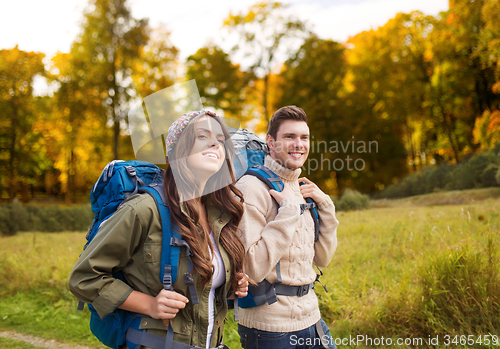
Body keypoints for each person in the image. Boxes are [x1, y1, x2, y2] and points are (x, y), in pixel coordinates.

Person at [69, 110, 249, 349]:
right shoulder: (144, 209)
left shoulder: (220, 214)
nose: (215, 142)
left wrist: (228, 285)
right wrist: (148, 304)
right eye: (203, 136)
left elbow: (199, 289)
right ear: (177, 150)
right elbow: (84, 277)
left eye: (220, 138)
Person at [236, 105, 339, 349]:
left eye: (304, 137)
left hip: (312, 316)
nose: (299, 144)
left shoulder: (301, 188)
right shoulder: (251, 188)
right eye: (289, 137)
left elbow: (323, 258)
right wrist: (288, 213)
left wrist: (326, 205)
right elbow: (251, 268)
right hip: (270, 329)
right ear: (271, 142)